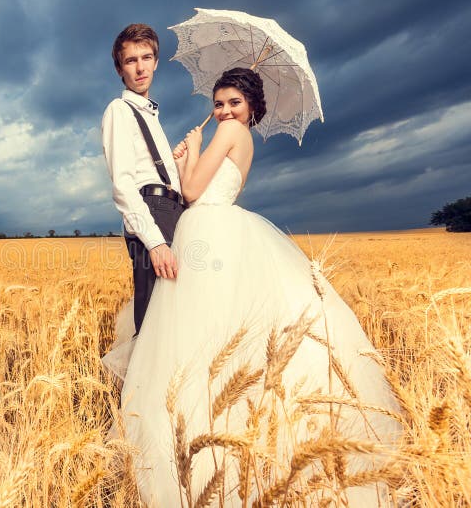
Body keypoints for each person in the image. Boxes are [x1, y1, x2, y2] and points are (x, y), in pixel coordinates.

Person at [103, 68, 402, 506]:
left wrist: (194, 151)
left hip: (207, 230)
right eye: (219, 103)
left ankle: (191, 446)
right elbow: (200, 188)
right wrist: (184, 155)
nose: (223, 110)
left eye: (233, 103)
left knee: (198, 338)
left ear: (250, 108)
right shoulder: (242, 139)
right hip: (220, 226)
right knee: (223, 331)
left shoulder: (226, 133)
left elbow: (190, 191)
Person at [101, 24, 185, 337]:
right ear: (119, 69)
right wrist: (155, 242)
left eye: (146, 57)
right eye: (131, 60)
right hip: (151, 216)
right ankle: (144, 387)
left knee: (174, 318)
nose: (140, 67)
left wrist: (180, 163)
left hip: (170, 212)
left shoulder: (150, 115)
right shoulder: (119, 110)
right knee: (154, 324)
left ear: (156, 62)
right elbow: (123, 186)